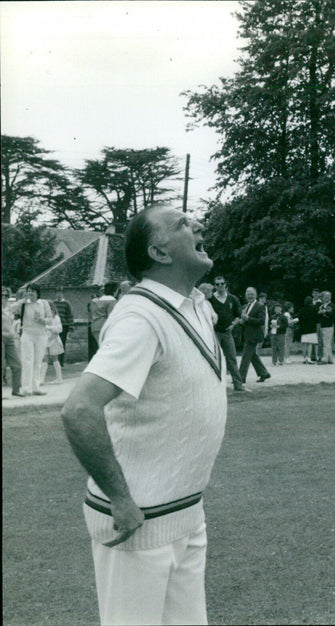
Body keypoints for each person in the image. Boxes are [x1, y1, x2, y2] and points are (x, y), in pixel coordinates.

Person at [61, 205, 227, 626]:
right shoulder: (140, 317)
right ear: (160, 253)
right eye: (182, 224)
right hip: (137, 523)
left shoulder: (197, 305)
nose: (198, 224)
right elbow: (80, 409)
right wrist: (120, 499)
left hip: (186, 512)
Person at [9, 283, 52, 396]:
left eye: (33, 291)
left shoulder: (44, 303)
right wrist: (22, 300)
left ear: (37, 293)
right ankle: (26, 388)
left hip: (41, 335)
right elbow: (11, 309)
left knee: (37, 362)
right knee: (27, 361)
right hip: (27, 335)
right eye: (29, 291)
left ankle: (35, 387)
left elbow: (50, 319)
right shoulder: (24, 304)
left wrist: (42, 320)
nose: (30, 293)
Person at [209, 276, 246, 392]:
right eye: (217, 284)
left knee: (232, 358)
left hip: (227, 333)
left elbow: (238, 315)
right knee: (214, 359)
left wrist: (233, 325)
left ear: (226, 284)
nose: (220, 286)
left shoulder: (232, 299)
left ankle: (238, 385)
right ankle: (214, 386)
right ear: (214, 286)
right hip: (214, 333)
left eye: (222, 283)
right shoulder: (210, 299)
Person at [238, 287, 271, 383]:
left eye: (252, 294)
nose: (250, 296)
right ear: (245, 295)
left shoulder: (260, 306)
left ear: (255, 295)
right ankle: (264, 373)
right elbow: (245, 320)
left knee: (245, 356)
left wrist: (248, 319)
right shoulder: (246, 306)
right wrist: (242, 322)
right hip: (247, 335)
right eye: (248, 294)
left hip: (254, 335)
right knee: (252, 356)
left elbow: (261, 321)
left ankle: (241, 377)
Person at [2, 287, 23, 397]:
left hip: (9, 338)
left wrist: (26, 297)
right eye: (2, 295)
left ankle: (16, 390)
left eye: (6, 295)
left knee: (17, 364)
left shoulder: (9, 309)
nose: (4, 297)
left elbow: (20, 302)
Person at [40, 300, 64, 385]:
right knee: (44, 359)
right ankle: (41, 379)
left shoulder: (56, 318)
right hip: (45, 340)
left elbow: (59, 329)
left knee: (55, 358)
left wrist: (50, 328)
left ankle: (59, 378)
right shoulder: (44, 319)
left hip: (54, 340)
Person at [89, 282, 119, 348]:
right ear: (114, 290)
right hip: (104, 327)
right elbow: (111, 317)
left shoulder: (98, 301)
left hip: (95, 327)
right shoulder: (112, 301)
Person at [53, 287, 73, 366]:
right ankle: (55, 361)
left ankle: (60, 361)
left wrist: (70, 328)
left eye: (60, 293)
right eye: (57, 293)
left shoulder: (66, 304)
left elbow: (70, 316)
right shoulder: (53, 303)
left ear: (63, 294)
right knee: (54, 343)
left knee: (61, 344)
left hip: (64, 326)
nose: (59, 295)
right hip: (54, 326)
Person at [298, 295, 318, 364]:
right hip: (312, 329)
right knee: (310, 344)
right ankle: (309, 358)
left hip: (303, 329)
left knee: (304, 344)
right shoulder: (314, 309)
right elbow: (316, 318)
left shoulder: (302, 309)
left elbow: (299, 319)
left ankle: (304, 358)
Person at [317, 290, 335, 364]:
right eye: (325, 297)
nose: (327, 298)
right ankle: (330, 358)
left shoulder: (331, 305)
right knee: (326, 342)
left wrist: (324, 312)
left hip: (328, 325)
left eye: (328, 297)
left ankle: (325, 359)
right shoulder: (322, 306)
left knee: (326, 343)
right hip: (323, 325)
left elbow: (332, 314)